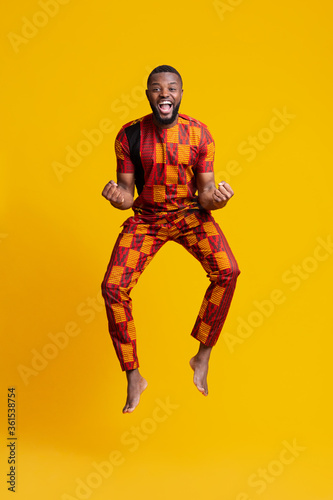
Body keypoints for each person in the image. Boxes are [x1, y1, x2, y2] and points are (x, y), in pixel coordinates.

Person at [101, 65, 240, 414]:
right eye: (156, 88)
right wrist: (119, 199)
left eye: (172, 88)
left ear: (180, 94)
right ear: (148, 94)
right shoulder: (128, 135)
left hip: (190, 215)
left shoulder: (199, 135)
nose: (165, 93)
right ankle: (133, 374)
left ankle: (202, 355)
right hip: (147, 220)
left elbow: (206, 192)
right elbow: (127, 195)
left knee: (228, 272)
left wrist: (217, 200)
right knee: (112, 288)